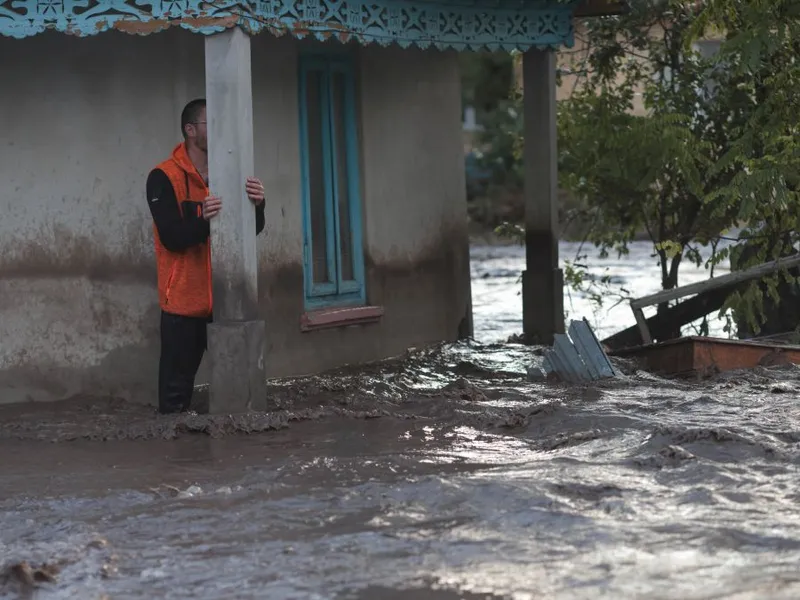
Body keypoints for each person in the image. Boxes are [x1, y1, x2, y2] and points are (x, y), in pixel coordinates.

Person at [145, 98, 266, 414]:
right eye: (209, 123)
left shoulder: (229, 174)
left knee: (242, 398)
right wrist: (204, 222)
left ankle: (231, 460)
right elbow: (172, 238)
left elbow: (250, 231)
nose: (219, 130)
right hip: (183, 304)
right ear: (190, 130)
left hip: (226, 301)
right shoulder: (163, 176)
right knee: (175, 401)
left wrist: (258, 204)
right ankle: (177, 461)